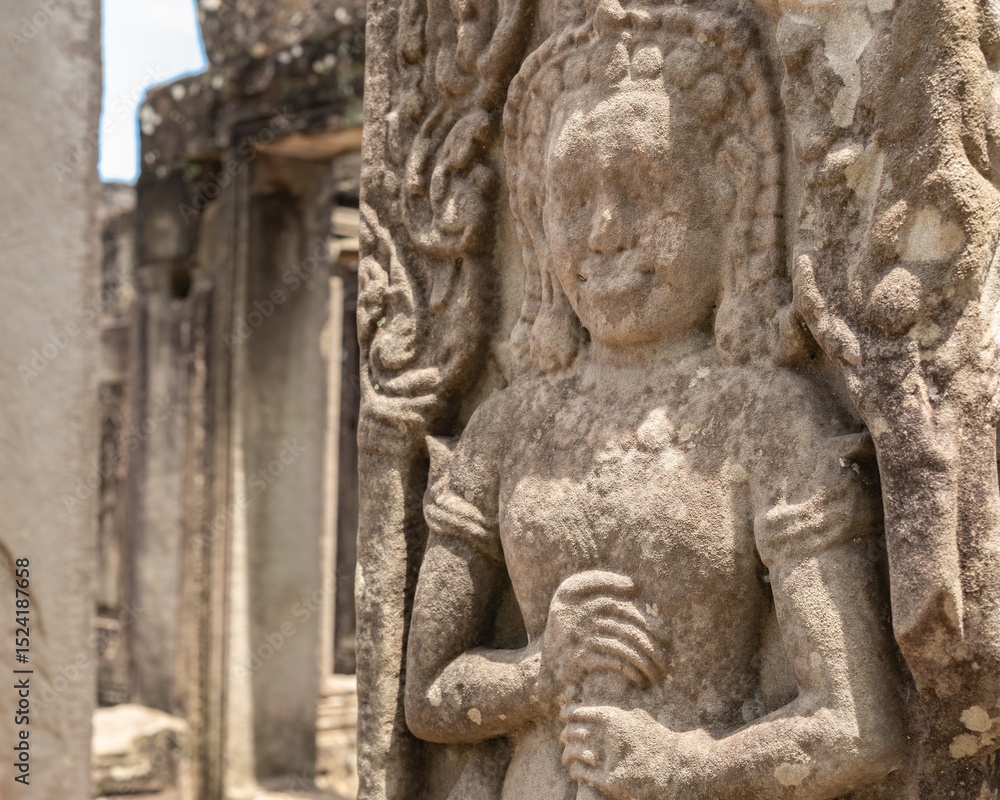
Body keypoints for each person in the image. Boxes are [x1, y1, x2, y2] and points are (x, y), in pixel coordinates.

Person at [404, 3, 908, 798]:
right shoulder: (507, 428)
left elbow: (859, 726)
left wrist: (692, 766)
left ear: (732, 194)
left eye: (644, 187)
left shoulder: (766, 419)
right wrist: (540, 673)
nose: (604, 232)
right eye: (572, 198)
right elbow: (428, 697)